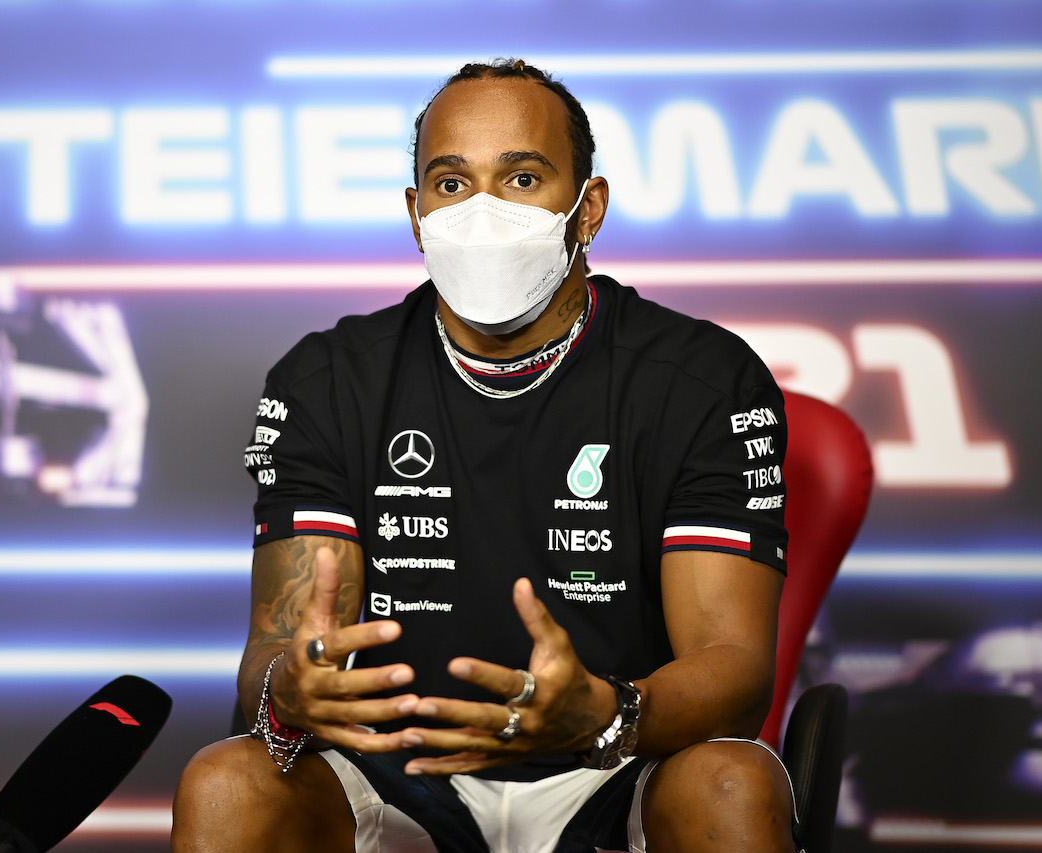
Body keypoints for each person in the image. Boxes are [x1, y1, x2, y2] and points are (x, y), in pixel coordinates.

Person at [172, 58, 796, 853]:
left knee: (734, 782)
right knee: (225, 784)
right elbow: (275, 647)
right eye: (452, 184)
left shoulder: (702, 380)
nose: (483, 212)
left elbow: (732, 665)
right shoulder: (328, 381)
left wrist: (603, 713)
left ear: (588, 208)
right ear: (416, 214)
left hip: (616, 761)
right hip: (396, 771)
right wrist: (289, 685)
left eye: (523, 178)